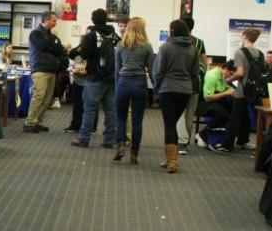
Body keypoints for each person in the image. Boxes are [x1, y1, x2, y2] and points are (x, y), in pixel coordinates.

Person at [152, 19, 199, 172]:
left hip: (168, 88)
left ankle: (172, 161)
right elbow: (195, 72)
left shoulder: (166, 47)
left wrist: (156, 88)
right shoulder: (193, 48)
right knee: (173, 123)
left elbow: (158, 71)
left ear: (172, 31)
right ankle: (170, 159)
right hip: (185, 90)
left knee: (169, 124)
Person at [72, 9, 119, 148]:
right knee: (110, 111)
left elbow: (84, 55)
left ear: (93, 19)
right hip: (111, 78)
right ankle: (109, 140)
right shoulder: (114, 35)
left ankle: (84, 138)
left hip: (94, 78)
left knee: (90, 109)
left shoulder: (92, 36)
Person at [216, 27, 264, 153]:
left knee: (235, 118)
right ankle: (243, 140)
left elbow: (240, 72)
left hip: (243, 90)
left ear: (244, 36)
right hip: (255, 90)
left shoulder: (240, 52)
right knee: (246, 117)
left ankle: (227, 145)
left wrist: (229, 80)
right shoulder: (260, 54)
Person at [113, 17, 154, 164]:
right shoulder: (147, 46)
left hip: (123, 82)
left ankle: (120, 145)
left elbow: (117, 70)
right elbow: (151, 70)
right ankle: (134, 153)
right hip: (139, 82)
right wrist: (155, 88)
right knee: (137, 120)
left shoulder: (120, 44)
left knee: (120, 117)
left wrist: (117, 87)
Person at [23, 11, 64, 133]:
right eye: (54, 20)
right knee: (39, 96)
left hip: (51, 70)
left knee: (47, 99)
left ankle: (37, 121)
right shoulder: (36, 33)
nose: (55, 23)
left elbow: (59, 51)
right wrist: (53, 45)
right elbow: (44, 45)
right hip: (40, 70)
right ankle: (29, 122)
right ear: (46, 20)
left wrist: (52, 46)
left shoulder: (52, 36)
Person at [175, 16, 209, 154]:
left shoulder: (175, 42)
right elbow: (205, 62)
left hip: (180, 81)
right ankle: (186, 140)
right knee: (190, 113)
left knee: (180, 112)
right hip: (195, 82)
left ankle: (181, 141)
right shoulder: (199, 42)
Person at [198, 60, 236, 144]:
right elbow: (207, 98)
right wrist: (226, 93)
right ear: (226, 69)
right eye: (231, 74)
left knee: (235, 111)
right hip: (204, 103)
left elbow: (225, 88)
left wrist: (231, 90)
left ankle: (225, 139)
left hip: (215, 100)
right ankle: (202, 134)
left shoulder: (222, 75)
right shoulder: (212, 76)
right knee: (224, 115)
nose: (231, 76)